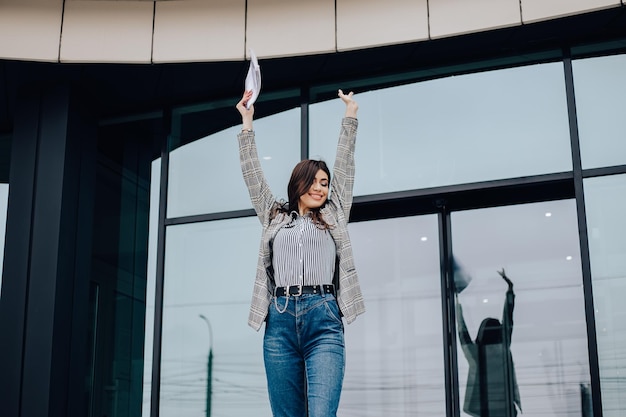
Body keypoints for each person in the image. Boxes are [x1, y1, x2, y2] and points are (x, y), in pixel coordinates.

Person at [235, 89, 366, 417]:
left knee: (322, 413)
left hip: (324, 319)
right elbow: (253, 175)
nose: (321, 187)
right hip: (279, 321)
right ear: (299, 183)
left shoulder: (334, 213)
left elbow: (345, 165)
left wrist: (350, 115)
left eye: (325, 182)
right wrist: (247, 122)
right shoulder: (274, 216)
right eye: (315, 181)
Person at [455, 268, 521, 417]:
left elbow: (462, 333)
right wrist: (510, 290)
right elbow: (508, 318)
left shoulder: (476, 353)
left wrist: (457, 304)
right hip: (505, 408)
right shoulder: (503, 347)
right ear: (499, 333)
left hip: (484, 409)